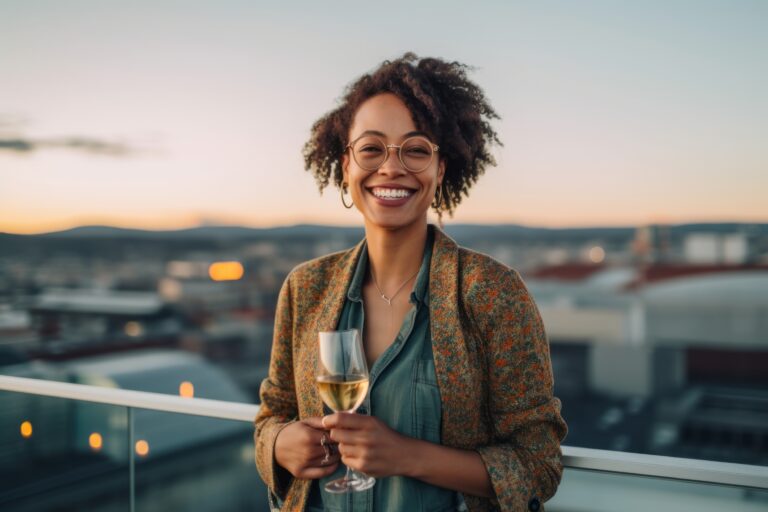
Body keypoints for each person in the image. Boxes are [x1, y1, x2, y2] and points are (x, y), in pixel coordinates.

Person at [254, 53, 567, 512]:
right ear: (346, 166)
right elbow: (270, 415)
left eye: (416, 149)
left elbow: (539, 463)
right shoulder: (305, 288)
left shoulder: (493, 291)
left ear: (441, 171)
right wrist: (280, 443)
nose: (391, 167)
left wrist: (408, 456)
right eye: (372, 148)